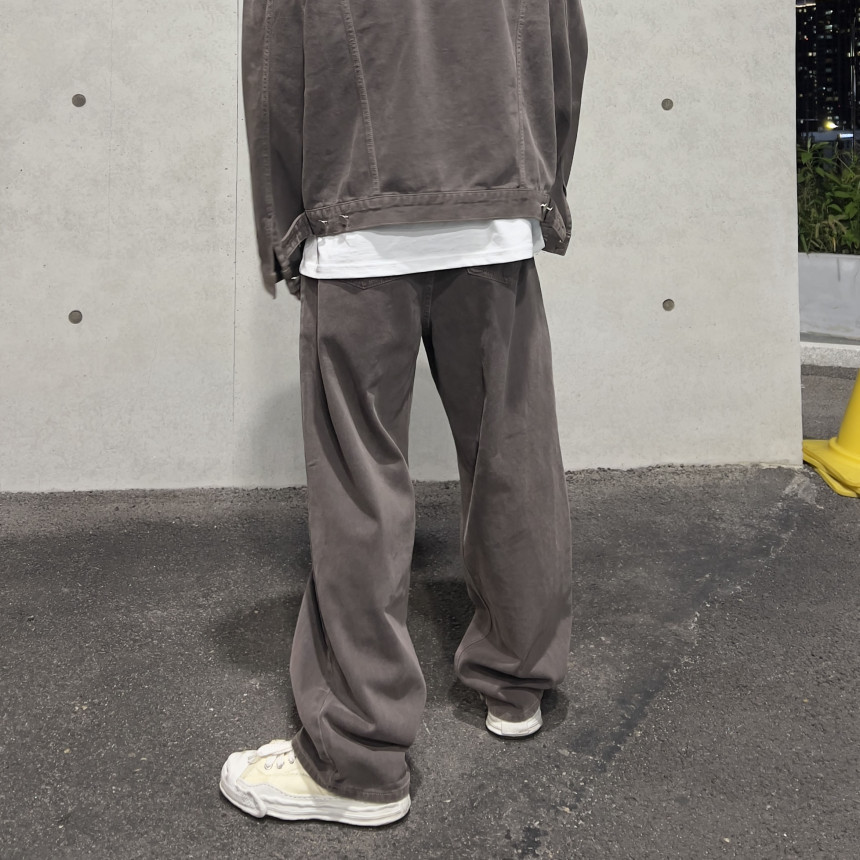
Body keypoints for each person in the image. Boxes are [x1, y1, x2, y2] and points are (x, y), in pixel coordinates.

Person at [220, 0, 588, 827]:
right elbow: (563, 46)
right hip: (497, 215)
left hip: (358, 218)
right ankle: (517, 682)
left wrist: (284, 229)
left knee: (360, 482)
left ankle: (355, 761)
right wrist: (542, 189)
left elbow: (275, 66)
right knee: (513, 453)